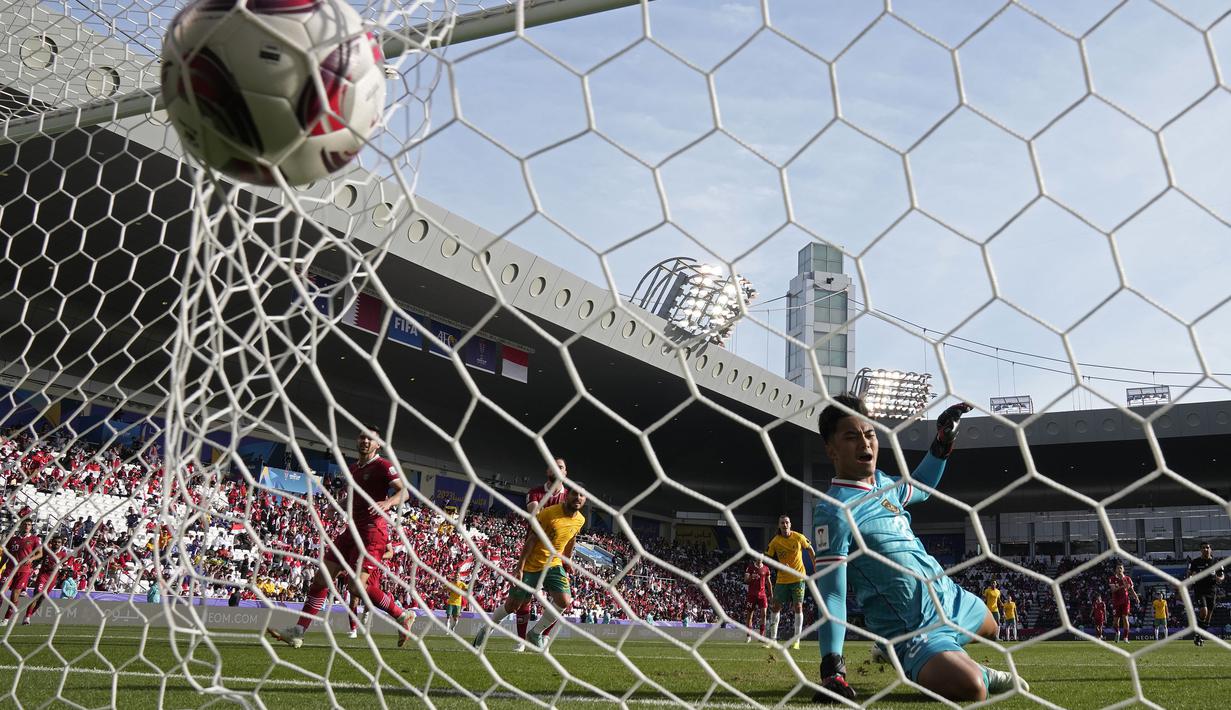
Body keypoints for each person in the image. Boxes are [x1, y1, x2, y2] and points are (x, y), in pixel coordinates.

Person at [812, 395, 1028, 702]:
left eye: (870, 433)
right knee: (973, 689)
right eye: (851, 436)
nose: (865, 442)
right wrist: (832, 668)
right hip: (911, 626)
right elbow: (831, 593)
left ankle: (921, 653)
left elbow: (923, 486)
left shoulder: (884, 486)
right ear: (831, 449)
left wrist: (942, 443)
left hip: (947, 597)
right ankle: (963, 667)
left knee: (992, 628)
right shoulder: (835, 512)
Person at [267, 427, 413, 648]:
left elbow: (405, 492)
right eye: (362, 437)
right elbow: (353, 497)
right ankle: (298, 631)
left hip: (373, 533)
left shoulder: (383, 466)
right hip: (351, 531)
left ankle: (401, 614)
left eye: (370, 438)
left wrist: (388, 503)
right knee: (321, 578)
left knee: (356, 588)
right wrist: (337, 507)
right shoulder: (353, 468)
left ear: (377, 444)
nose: (365, 441)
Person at [473, 487, 587, 652]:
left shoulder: (580, 520)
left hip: (554, 564)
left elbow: (572, 538)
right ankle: (487, 628)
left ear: (585, 500)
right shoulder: (548, 513)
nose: (578, 497)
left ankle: (535, 634)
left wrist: (567, 560)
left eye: (581, 495)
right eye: (574, 494)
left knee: (564, 601)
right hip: (532, 565)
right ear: (566, 496)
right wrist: (520, 567)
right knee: (513, 606)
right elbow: (531, 539)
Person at [513, 457, 568, 651]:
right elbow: (535, 517)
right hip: (533, 552)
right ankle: (521, 640)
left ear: (565, 472)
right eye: (554, 466)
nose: (557, 469)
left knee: (561, 600)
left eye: (560, 467)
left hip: (555, 557)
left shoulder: (570, 497)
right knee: (523, 598)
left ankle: (542, 635)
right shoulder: (535, 492)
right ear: (548, 471)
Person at [764, 514, 814, 650]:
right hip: (782, 579)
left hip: (798, 578)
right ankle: (773, 640)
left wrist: (815, 566)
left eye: (786, 522)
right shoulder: (775, 541)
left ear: (790, 524)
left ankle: (796, 640)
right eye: (782, 523)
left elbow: (810, 549)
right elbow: (767, 559)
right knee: (775, 607)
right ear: (779, 525)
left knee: (798, 607)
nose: (784, 525)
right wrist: (779, 565)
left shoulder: (798, 537)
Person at [1, 519, 42, 626]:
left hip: (24, 571)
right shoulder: (13, 539)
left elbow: (40, 553)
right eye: (25, 524)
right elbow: (6, 555)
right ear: (20, 526)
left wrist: (32, 559)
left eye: (29, 524)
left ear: (31, 527)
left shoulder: (34, 539)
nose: (27, 526)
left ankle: (6, 619)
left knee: (15, 596)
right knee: (1, 591)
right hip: (10, 569)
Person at [21, 534, 67, 625]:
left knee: (41, 599)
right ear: (52, 542)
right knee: (37, 594)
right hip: (43, 575)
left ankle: (30, 615)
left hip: (52, 578)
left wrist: (61, 568)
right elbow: (38, 559)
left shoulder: (63, 554)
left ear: (61, 544)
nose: (57, 544)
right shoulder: (46, 550)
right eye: (55, 542)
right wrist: (32, 567)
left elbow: (65, 566)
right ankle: (27, 617)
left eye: (59, 542)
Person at [1187, 542, 1225, 647]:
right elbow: (1189, 574)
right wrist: (1191, 578)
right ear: (1200, 550)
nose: (1205, 549)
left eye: (1207, 547)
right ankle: (1197, 634)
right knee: (1203, 611)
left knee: (1208, 618)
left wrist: (1219, 579)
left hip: (1212, 591)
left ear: (1210, 549)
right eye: (1203, 548)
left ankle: (1199, 636)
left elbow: (1222, 576)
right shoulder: (1195, 562)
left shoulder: (1216, 562)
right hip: (1199, 590)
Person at [1109, 563, 1139, 643]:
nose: (1119, 570)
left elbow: (1131, 589)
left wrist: (1136, 597)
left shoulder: (1128, 578)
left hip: (1125, 601)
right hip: (1116, 601)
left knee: (1125, 618)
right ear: (1115, 570)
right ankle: (1117, 632)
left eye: (1121, 568)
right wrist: (1122, 586)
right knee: (1115, 622)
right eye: (1118, 568)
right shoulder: (1112, 578)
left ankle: (1125, 637)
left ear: (1123, 569)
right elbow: (1113, 590)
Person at [743, 557, 770, 643]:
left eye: (761, 557)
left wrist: (771, 594)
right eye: (758, 557)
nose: (760, 559)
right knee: (749, 616)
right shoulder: (750, 568)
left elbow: (768, 582)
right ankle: (748, 636)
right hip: (751, 595)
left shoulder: (766, 568)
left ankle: (761, 636)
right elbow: (746, 580)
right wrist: (751, 577)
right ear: (755, 558)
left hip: (762, 595)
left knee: (764, 615)